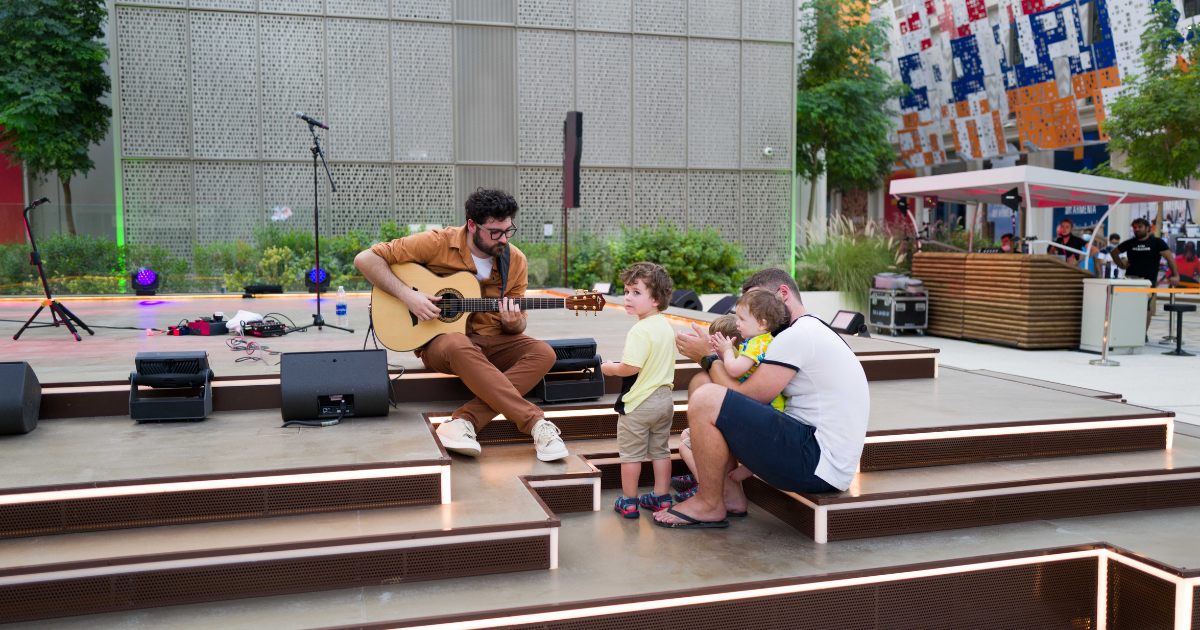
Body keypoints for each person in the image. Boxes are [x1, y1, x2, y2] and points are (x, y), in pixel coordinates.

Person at [353, 188, 568, 462]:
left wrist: (514, 323)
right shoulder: (436, 242)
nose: (503, 239)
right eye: (495, 232)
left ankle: (464, 421)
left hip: (493, 341)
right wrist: (408, 296)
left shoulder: (515, 261)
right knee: (457, 343)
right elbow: (365, 259)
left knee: (544, 353)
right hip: (443, 344)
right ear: (472, 225)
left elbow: (517, 326)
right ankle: (535, 423)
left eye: (508, 230)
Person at [657, 269, 870, 528]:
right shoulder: (805, 330)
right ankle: (729, 496)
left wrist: (708, 357)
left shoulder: (797, 335)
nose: (751, 314)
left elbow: (751, 395)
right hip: (810, 450)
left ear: (783, 293)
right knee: (705, 382)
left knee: (707, 396)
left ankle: (709, 504)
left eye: (757, 304)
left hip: (817, 463)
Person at [601, 262, 677, 518]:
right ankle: (661, 497)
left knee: (631, 455)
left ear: (656, 299)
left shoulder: (639, 330)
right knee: (661, 450)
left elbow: (631, 367)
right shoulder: (665, 325)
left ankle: (630, 502)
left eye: (636, 292)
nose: (628, 298)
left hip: (639, 403)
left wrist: (611, 368)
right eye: (626, 291)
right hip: (664, 400)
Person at [672, 313, 741, 502]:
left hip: (728, 432)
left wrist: (708, 358)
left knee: (685, 445)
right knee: (686, 435)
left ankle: (706, 486)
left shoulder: (733, 367)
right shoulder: (737, 362)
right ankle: (704, 478)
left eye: (714, 344)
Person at [711, 290, 790, 413]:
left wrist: (727, 350)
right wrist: (722, 350)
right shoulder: (765, 340)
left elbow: (734, 370)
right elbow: (737, 364)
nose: (737, 322)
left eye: (742, 319)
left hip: (767, 409)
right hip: (770, 407)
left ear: (762, 324)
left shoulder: (756, 345)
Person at [1114, 217, 1181, 332]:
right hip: (1130, 280)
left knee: (1145, 306)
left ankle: (1142, 334)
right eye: (1134, 227)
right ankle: (1128, 332)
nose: (1137, 230)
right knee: (1129, 306)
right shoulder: (1130, 243)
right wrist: (1121, 264)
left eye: (1140, 227)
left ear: (1147, 228)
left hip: (1148, 282)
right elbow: (1114, 252)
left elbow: (1170, 258)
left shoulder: (1157, 242)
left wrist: (1176, 275)